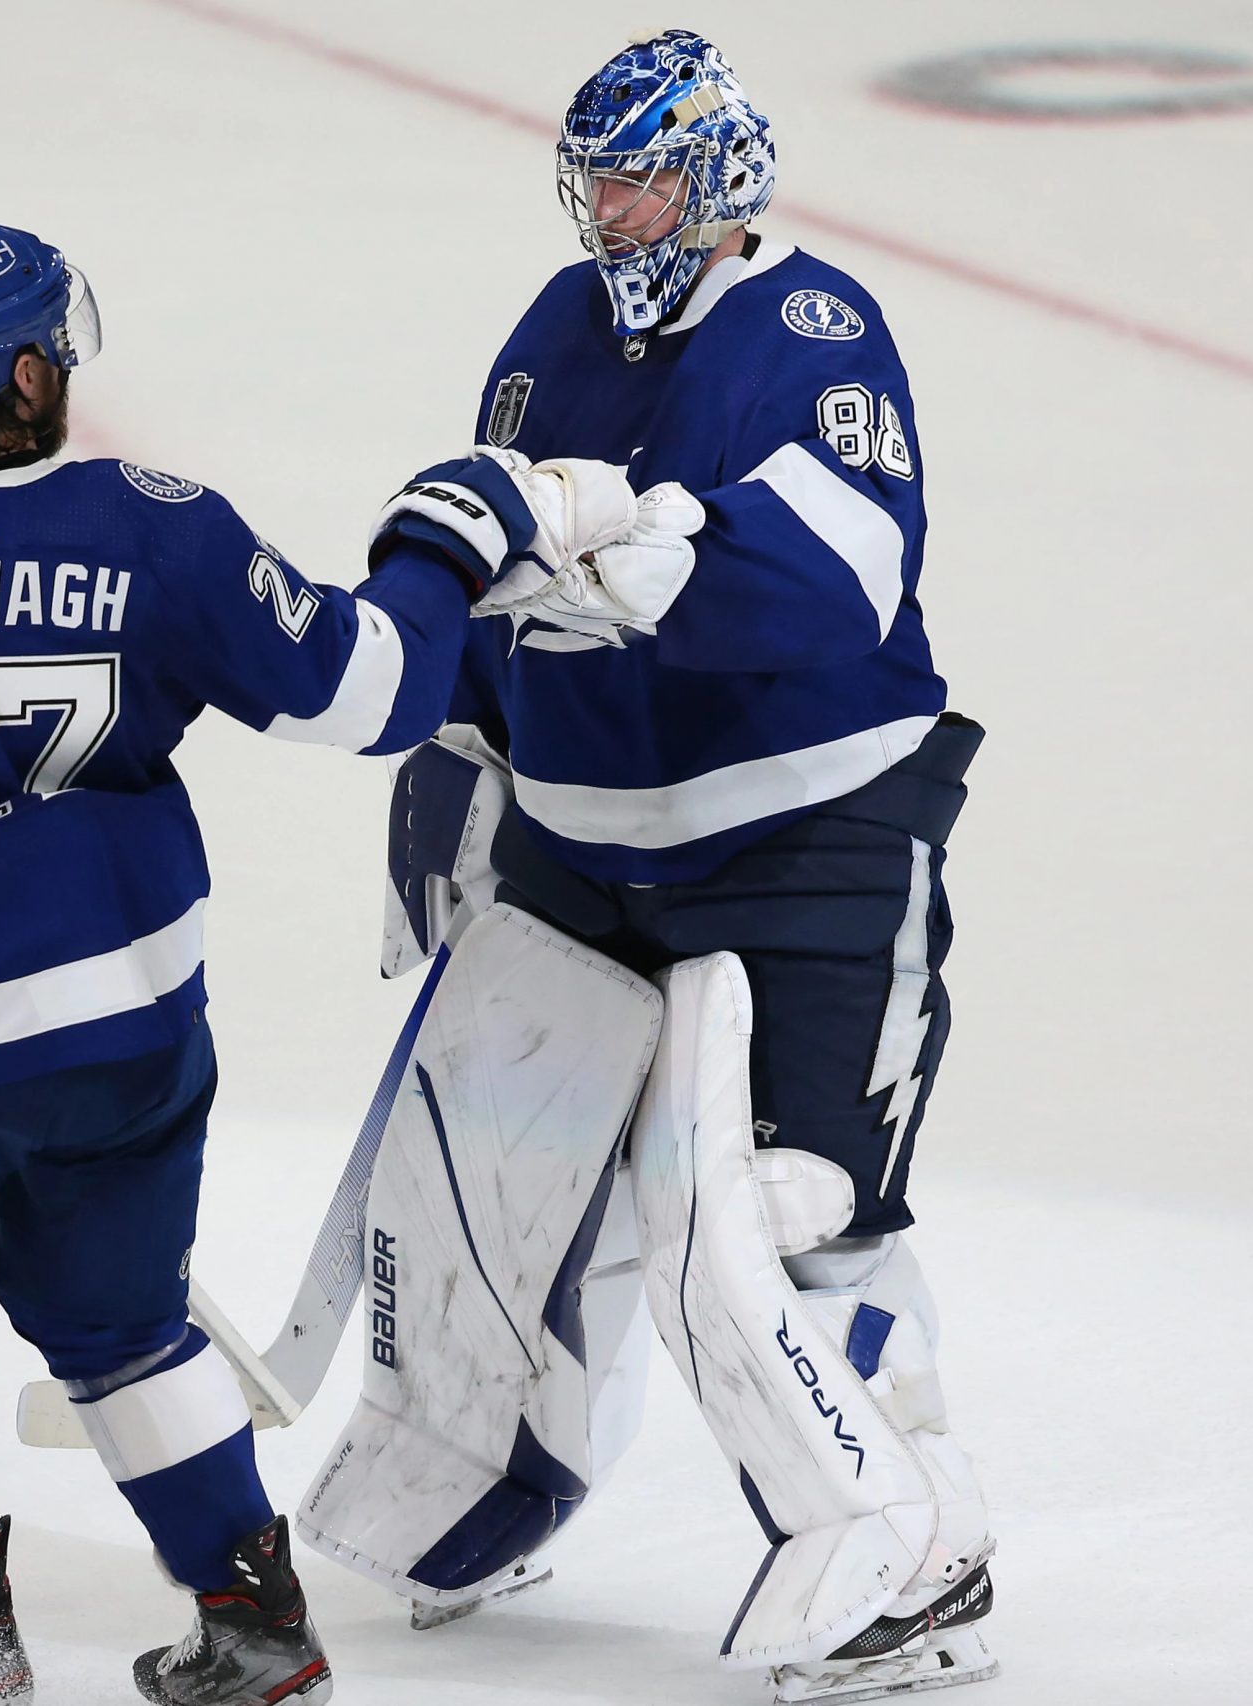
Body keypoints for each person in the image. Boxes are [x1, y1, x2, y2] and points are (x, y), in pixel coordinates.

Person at [0, 221, 670, 1706]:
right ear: (37, 368)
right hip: (127, 1051)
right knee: (121, 1325)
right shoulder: (152, 525)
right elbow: (375, 692)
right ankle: (251, 1626)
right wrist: (444, 542)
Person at [294, 32, 997, 1704]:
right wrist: (458, 754)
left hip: (802, 853)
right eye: (596, 181)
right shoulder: (552, 330)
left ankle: (921, 1548)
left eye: (645, 179)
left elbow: (838, 581)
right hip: (574, 855)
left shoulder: (814, 332)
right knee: (484, 1190)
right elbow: (497, 568)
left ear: (725, 174)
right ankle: (485, 1483)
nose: (614, 213)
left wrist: (620, 539)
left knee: (772, 1229)